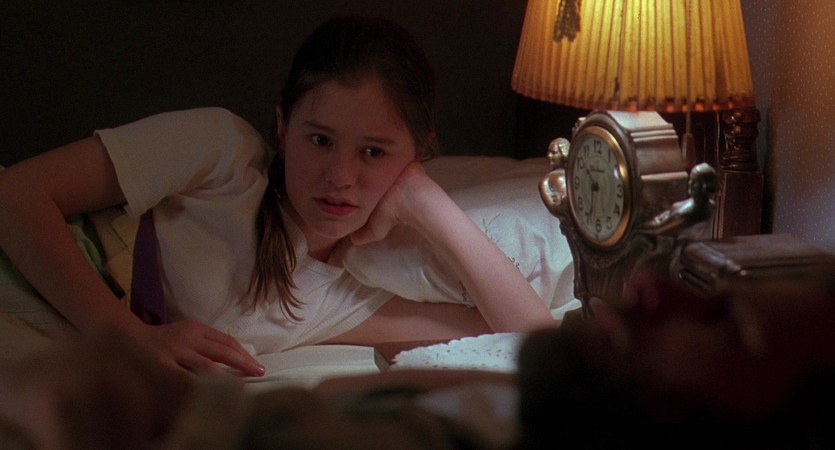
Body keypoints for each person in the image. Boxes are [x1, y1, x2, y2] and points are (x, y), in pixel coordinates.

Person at [0, 15, 554, 378]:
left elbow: (536, 342)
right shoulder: (223, 154)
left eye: (374, 152)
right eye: (320, 140)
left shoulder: (346, 293)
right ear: (283, 128)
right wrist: (132, 337)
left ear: (418, 154)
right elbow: (15, 195)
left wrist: (423, 198)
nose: (339, 176)